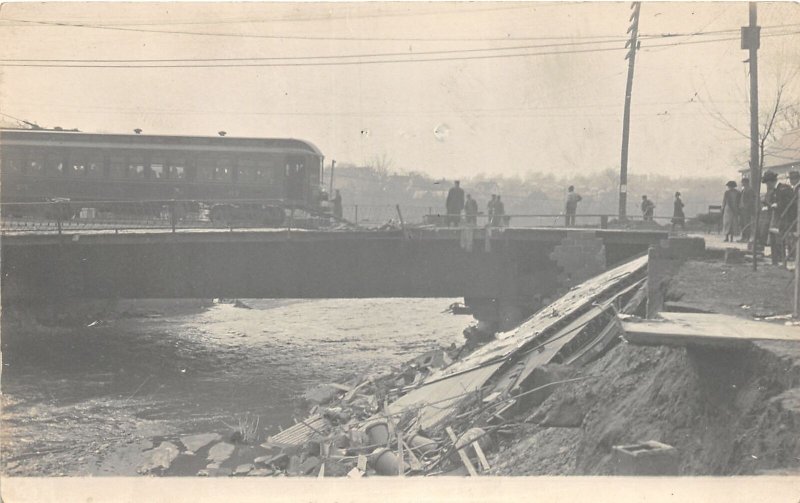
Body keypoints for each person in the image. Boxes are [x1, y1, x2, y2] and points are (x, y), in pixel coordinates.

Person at [762, 170, 794, 265]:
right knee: (775, 236)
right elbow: (773, 202)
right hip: (778, 217)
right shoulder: (775, 190)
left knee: (782, 237)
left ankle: (783, 257)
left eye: (768, 183)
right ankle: (778, 257)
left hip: (787, 217)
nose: (767, 186)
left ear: (772, 181)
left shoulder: (784, 189)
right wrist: (768, 206)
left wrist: (777, 205)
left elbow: (790, 202)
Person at [738, 178, 755, 242]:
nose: (742, 183)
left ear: (746, 182)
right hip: (742, 209)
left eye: (742, 182)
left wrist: (746, 207)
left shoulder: (750, 190)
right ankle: (743, 237)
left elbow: (751, 200)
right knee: (742, 223)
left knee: (746, 223)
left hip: (746, 210)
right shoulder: (743, 190)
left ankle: (747, 237)